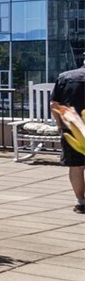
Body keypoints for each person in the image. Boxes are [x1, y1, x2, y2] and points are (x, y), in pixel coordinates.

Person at [51, 59, 85, 214]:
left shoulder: (65, 77)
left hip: (72, 127)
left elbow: (54, 105)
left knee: (76, 166)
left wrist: (59, 124)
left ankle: (81, 202)